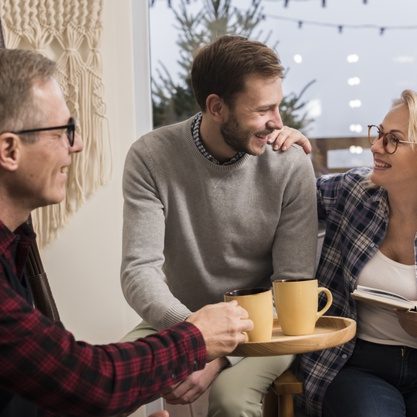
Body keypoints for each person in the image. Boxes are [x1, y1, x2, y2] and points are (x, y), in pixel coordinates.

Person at [0, 47, 254, 417]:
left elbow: (36, 390)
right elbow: (91, 381)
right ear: (10, 149)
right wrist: (196, 336)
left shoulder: (15, 246)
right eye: (64, 131)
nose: (78, 145)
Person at [120, 35, 318, 417]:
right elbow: (138, 272)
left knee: (230, 400)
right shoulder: (150, 156)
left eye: (278, 106)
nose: (278, 122)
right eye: (264, 109)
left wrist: (216, 356)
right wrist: (196, 337)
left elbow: (292, 281)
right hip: (183, 318)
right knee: (113, 387)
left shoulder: (289, 163)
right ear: (216, 107)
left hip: (268, 327)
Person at [293, 89, 417, 417]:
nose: (375, 147)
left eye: (392, 140)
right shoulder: (354, 191)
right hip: (358, 364)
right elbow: (288, 196)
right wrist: (287, 148)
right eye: (377, 134)